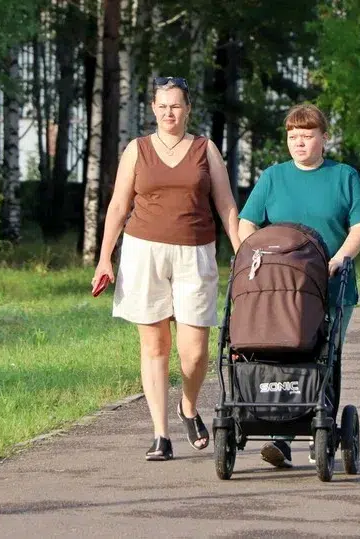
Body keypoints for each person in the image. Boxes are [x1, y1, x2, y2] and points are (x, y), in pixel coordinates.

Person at [92, 76, 241, 461]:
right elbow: (118, 205)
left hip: (196, 253)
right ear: (153, 109)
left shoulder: (205, 149)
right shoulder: (137, 149)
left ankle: (187, 407)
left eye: (176, 105)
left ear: (188, 109)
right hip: (143, 252)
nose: (169, 113)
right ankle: (160, 434)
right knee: (155, 345)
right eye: (162, 106)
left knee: (195, 352)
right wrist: (105, 257)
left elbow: (226, 204)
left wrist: (240, 248)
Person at [237, 103, 360, 468]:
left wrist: (340, 258)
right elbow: (247, 223)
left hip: (330, 285)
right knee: (280, 352)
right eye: (293, 136)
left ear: (324, 138)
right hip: (279, 288)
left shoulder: (343, 176)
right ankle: (281, 436)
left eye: (307, 136)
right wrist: (251, 256)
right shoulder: (273, 177)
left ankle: (320, 427)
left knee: (324, 357)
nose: (299, 143)